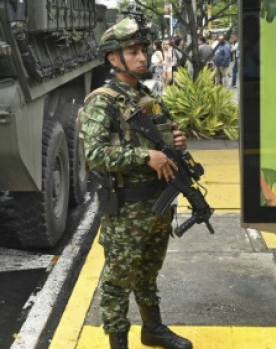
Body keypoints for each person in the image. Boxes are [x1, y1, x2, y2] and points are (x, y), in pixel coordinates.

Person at [77, 18, 193, 349]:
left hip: (157, 207)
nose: (142, 57)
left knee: (147, 274)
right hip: (126, 211)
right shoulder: (102, 101)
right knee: (117, 282)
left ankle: (153, 329)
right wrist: (145, 157)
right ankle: (118, 343)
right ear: (114, 58)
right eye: (133, 51)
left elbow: (164, 137)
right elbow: (94, 155)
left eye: (143, 50)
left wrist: (176, 141)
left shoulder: (145, 96)